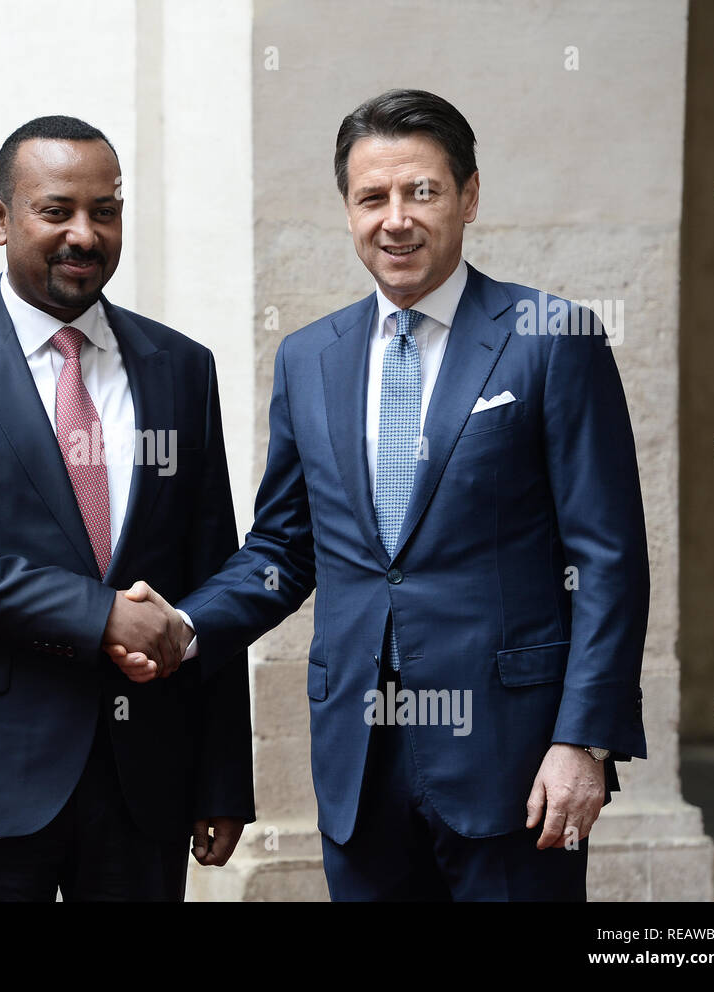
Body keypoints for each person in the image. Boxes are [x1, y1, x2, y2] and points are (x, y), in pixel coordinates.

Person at [115, 89, 649, 901]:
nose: (395, 218)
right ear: (349, 210)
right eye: (373, 198)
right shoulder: (309, 358)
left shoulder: (552, 340)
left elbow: (607, 560)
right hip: (359, 761)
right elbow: (286, 548)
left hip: (513, 760)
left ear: (468, 197)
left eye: (421, 192)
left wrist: (584, 741)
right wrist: (187, 627)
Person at [0, 115, 254, 901]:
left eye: (105, 211)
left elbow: (211, 570)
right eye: (56, 210)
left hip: (143, 782)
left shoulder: (180, 367)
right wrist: (102, 615)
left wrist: (221, 779)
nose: (84, 233)